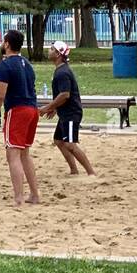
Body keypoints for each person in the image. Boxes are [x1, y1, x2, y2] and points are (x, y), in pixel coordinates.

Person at [0, 28, 40, 206]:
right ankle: (34, 195)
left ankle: (19, 197)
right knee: (24, 153)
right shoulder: (27, 64)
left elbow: (0, 94)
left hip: (17, 110)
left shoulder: (5, 64)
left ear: (8, 44)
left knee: (13, 155)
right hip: (32, 109)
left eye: (4, 41)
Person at [42, 40, 94, 176]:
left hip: (71, 113)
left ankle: (91, 173)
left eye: (52, 49)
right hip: (65, 112)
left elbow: (65, 95)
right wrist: (54, 108)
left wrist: (47, 107)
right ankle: (74, 170)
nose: (49, 50)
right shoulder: (60, 70)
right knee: (59, 140)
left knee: (70, 144)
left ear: (59, 54)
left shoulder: (62, 72)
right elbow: (61, 94)